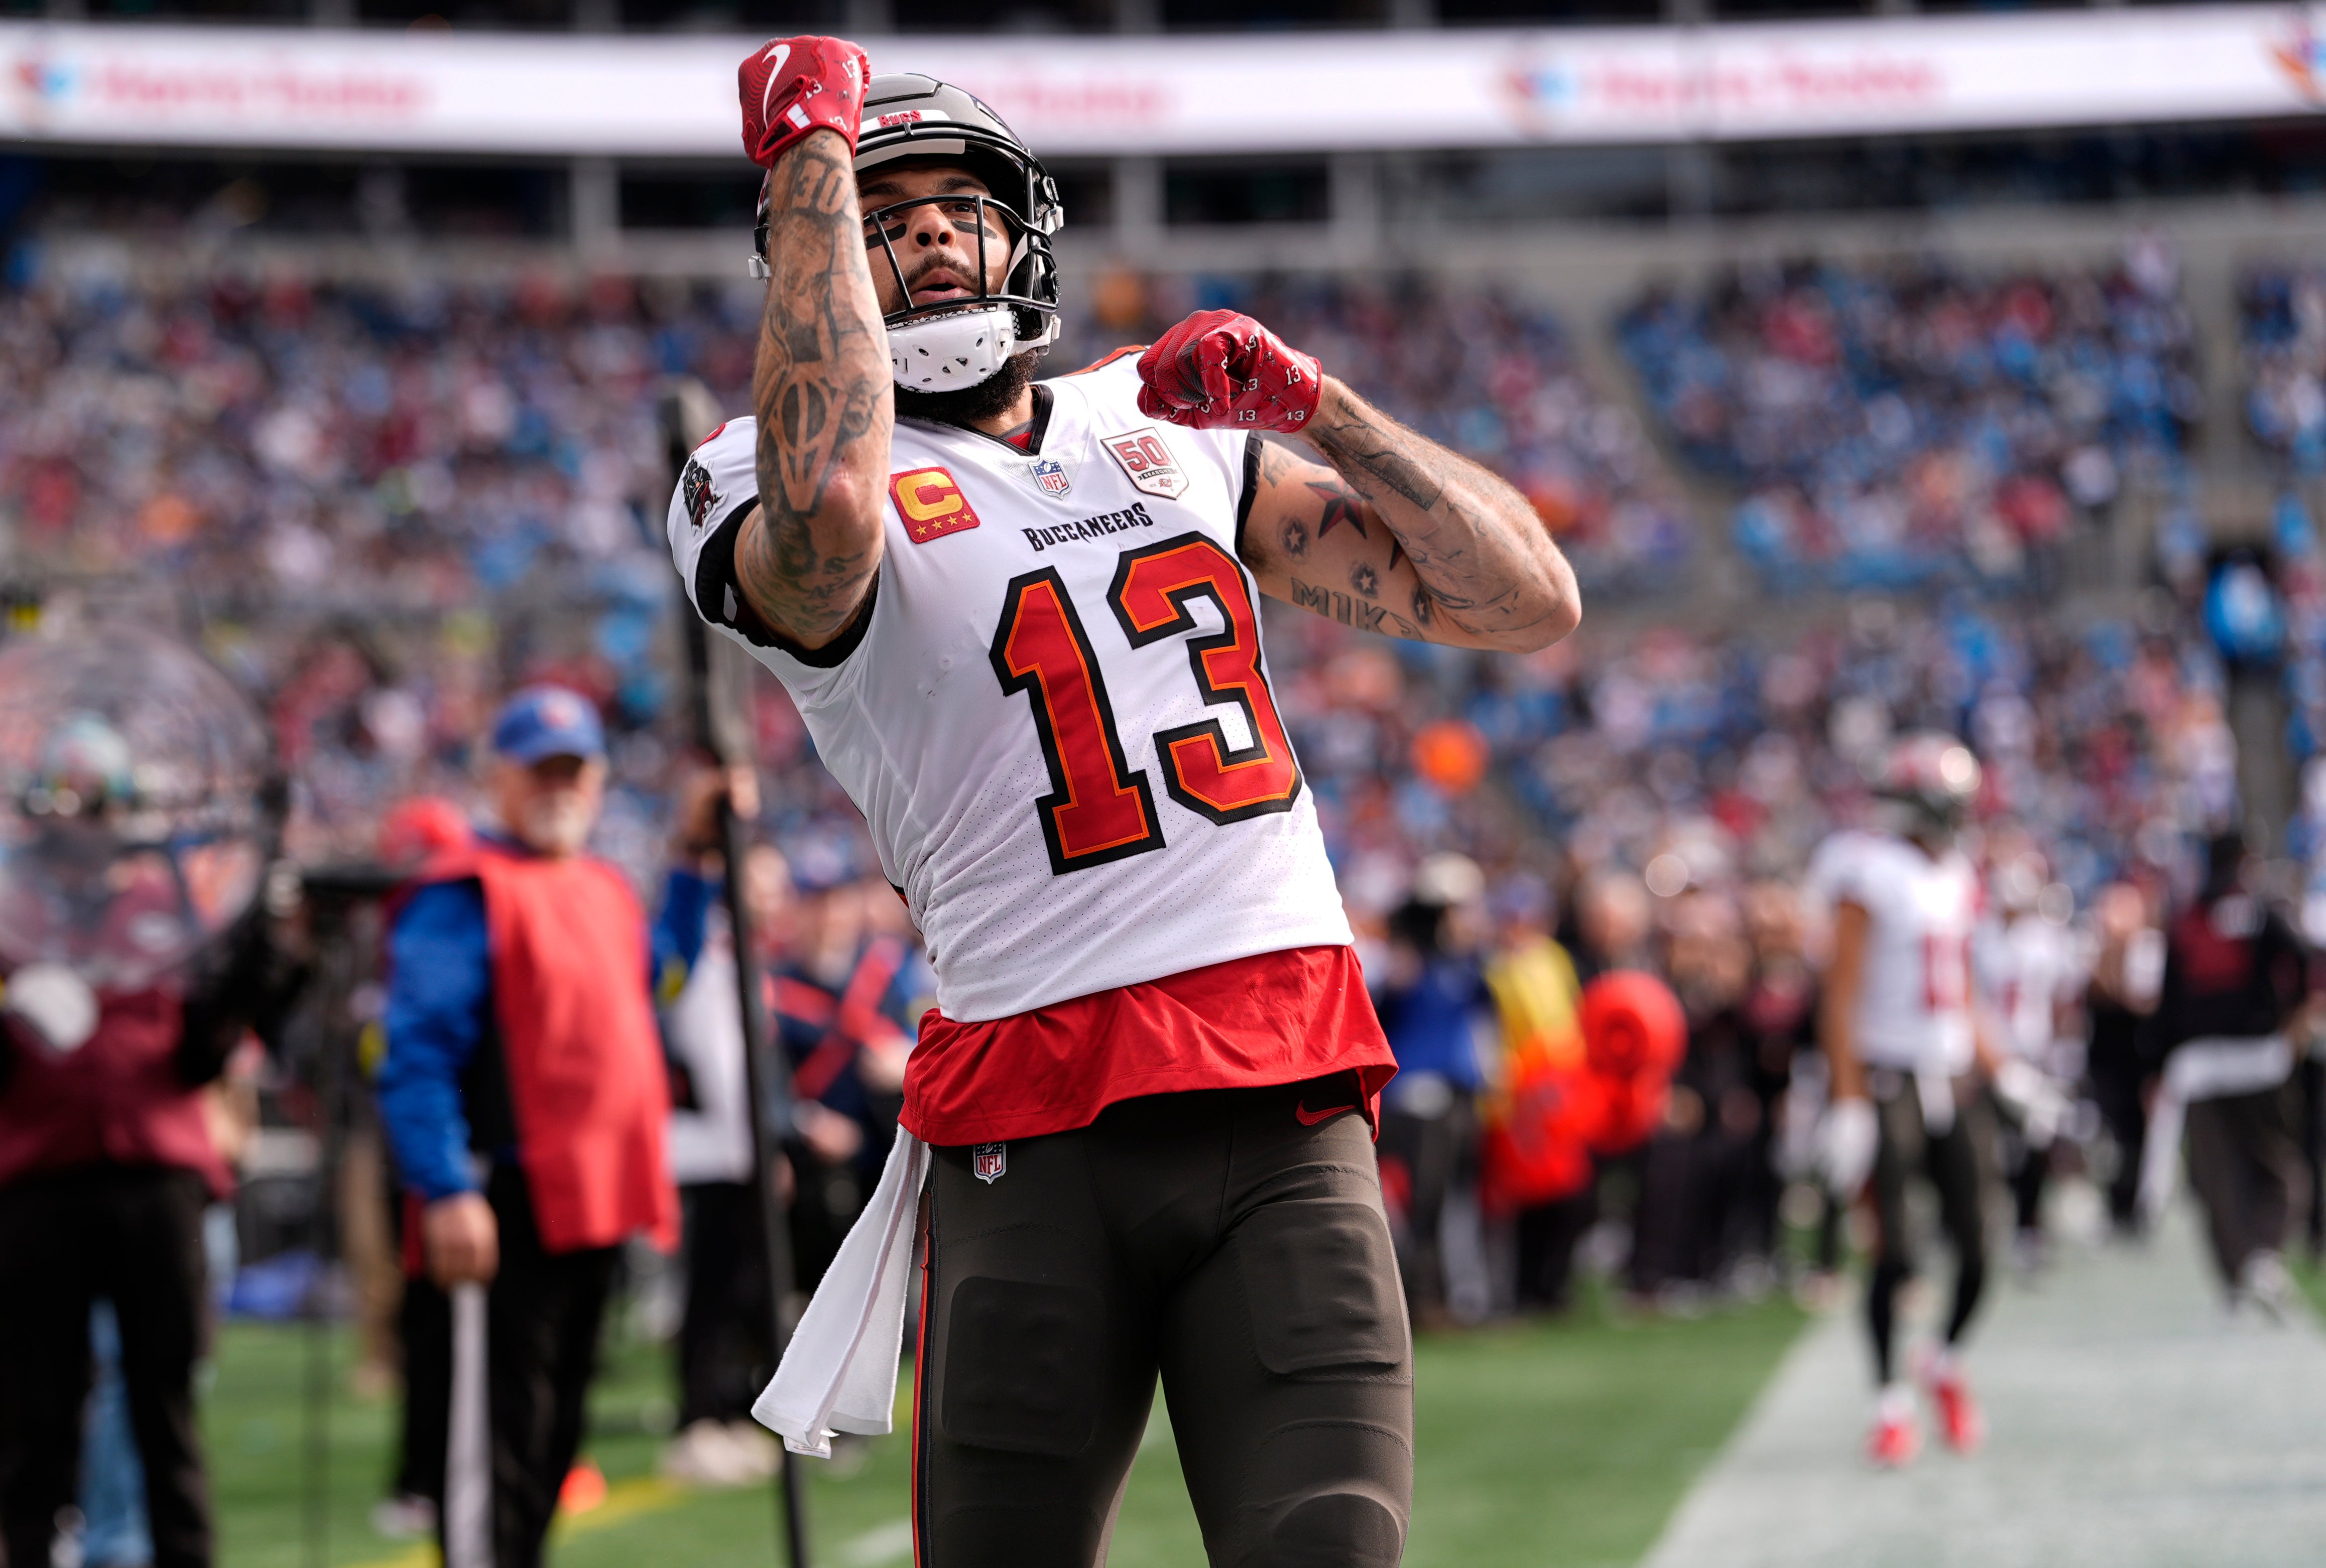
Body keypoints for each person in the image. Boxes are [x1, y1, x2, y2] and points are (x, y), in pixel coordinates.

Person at [670, 41, 1580, 1565]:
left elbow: (1526, 601)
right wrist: (810, 155)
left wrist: (1320, 407)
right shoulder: (752, 473)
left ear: (1024, 227)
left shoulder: (1166, 436)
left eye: (955, 205)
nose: (926, 234)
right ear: (817, 251)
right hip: (1032, 1100)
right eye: (880, 221)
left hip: (1278, 1071)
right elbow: (826, 515)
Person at [374, 687, 729, 1568]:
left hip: (594, 1201)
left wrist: (691, 859)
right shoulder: (462, 892)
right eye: (539, 770)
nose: (557, 787)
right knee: (492, 1446)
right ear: (498, 775)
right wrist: (448, 1185)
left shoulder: (602, 887)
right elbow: (415, 1055)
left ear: (600, 779)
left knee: (552, 1432)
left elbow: (658, 982)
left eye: (573, 771)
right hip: (507, 1198)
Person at [0, 769, 291, 1568]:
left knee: (165, 1412)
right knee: (36, 1418)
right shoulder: (14, 914)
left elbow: (207, 1048)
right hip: (39, 1181)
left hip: (156, 1181)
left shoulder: (168, 910)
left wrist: (259, 940)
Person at [1809, 733, 2005, 1469]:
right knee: (1897, 1248)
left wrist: (2006, 1070)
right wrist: (1851, 1099)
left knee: (1981, 1245)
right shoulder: (1869, 871)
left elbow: (1960, 990)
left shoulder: (1955, 873)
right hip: (1888, 1075)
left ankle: (1944, 1363)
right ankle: (1887, 1403)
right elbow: (1840, 994)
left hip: (1950, 1075)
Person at [2140, 830, 2311, 1315]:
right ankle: (2263, 1257)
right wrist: (2293, 1021)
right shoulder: (2259, 909)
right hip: (2257, 1058)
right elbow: (2303, 960)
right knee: (2278, 1165)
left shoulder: (2186, 916)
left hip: (2199, 1066)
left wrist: (2155, 1066)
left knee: (2216, 1175)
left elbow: (2166, 1002)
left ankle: (2236, 1274)